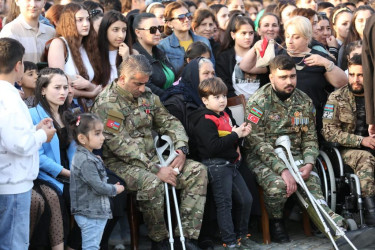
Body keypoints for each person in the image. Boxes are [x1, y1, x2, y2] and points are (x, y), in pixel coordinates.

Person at [91, 54, 207, 250]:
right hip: (121, 165)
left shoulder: (148, 97)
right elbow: (120, 146)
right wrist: (155, 169)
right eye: (138, 84)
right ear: (122, 79)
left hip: (153, 159)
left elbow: (169, 122)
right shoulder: (108, 104)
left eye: (145, 83)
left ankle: (185, 238)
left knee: (197, 171)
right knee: (152, 182)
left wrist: (181, 148)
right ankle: (159, 240)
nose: (143, 89)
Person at [243, 54, 346, 243]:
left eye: (292, 76)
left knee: (312, 185)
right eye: (283, 77)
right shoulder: (258, 102)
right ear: (272, 77)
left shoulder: (304, 101)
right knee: (277, 186)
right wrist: (282, 170)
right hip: (265, 156)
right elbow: (255, 142)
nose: (289, 81)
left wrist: (309, 163)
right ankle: (276, 221)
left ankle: (333, 225)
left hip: (297, 156)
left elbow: (310, 137)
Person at [0, 37, 55, 250]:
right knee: (13, 245)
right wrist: (42, 136)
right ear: (18, 65)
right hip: (13, 184)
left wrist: (35, 130)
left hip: (9, 181)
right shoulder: (10, 98)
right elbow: (19, 144)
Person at [189, 77, 254, 249]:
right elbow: (211, 148)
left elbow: (233, 135)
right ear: (204, 100)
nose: (222, 100)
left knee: (246, 199)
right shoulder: (204, 119)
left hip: (231, 164)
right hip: (215, 165)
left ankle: (241, 236)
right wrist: (235, 135)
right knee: (224, 204)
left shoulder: (225, 114)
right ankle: (230, 241)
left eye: (224, 96)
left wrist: (242, 133)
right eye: (216, 97)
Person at [321, 54, 375, 226]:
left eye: (360, 75)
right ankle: (371, 216)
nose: (355, 80)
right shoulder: (337, 98)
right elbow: (329, 132)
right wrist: (361, 140)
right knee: (365, 158)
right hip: (347, 150)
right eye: (352, 74)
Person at [29, 67, 77, 250]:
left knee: (99, 196)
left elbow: (75, 149)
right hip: (47, 175)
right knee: (64, 197)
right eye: (57, 87)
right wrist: (66, 173)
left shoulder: (68, 114)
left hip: (69, 171)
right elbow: (37, 156)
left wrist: (77, 170)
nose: (63, 92)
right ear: (43, 89)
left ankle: (73, 246)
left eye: (65, 87)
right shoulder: (33, 115)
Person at [69, 113, 125, 249]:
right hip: (91, 213)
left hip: (94, 211)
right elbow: (98, 187)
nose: (103, 137)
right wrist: (114, 189)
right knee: (91, 247)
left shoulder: (89, 157)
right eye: (97, 134)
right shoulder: (86, 160)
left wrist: (109, 185)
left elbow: (95, 182)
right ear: (82, 138)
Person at [48, 3, 102, 100]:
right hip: (68, 106)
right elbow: (58, 84)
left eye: (87, 19)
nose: (86, 24)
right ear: (69, 22)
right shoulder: (59, 44)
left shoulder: (87, 45)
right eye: (80, 20)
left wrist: (89, 86)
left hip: (88, 106)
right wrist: (90, 93)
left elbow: (95, 86)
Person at [158, 1, 214, 74]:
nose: (186, 20)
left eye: (188, 15)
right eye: (181, 17)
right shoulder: (163, 46)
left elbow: (212, 69)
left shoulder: (204, 41)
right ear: (169, 24)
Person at [132, 12, 176, 97]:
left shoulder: (159, 52)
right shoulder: (135, 55)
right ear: (138, 32)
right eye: (152, 30)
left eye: (160, 28)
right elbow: (146, 86)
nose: (158, 33)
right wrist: (171, 97)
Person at [216, 13, 256, 99]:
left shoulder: (260, 55)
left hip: (260, 106)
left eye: (251, 33)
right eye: (243, 33)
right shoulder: (224, 58)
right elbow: (224, 85)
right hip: (235, 105)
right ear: (233, 35)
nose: (248, 37)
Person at [98, 10, 132, 86]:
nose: (121, 35)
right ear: (104, 30)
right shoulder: (94, 53)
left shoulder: (133, 53)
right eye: (115, 30)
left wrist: (126, 58)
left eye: (124, 30)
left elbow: (132, 84)